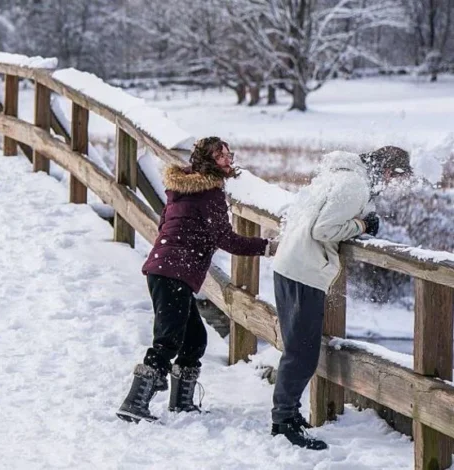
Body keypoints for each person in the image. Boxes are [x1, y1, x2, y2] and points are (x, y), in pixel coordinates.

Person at [116, 137, 277, 423]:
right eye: (221, 156)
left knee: (194, 340)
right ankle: (134, 403)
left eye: (229, 154)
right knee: (167, 341)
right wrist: (266, 247)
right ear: (207, 162)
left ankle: (181, 403)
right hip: (174, 273)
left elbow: (165, 225)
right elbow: (226, 239)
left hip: (164, 269)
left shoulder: (180, 189)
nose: (228, 160)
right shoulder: (209, 194)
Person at [270, 146, 412, 450]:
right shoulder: (354, 184)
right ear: (388, 171)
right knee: (302, 352)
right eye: (394, 178)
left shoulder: (340, 175)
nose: (391, 184)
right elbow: (323, 230)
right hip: (304, 270)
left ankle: (287, 415)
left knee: (299, 348)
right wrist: (362, 225)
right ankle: (283, 421)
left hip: (290, 264)